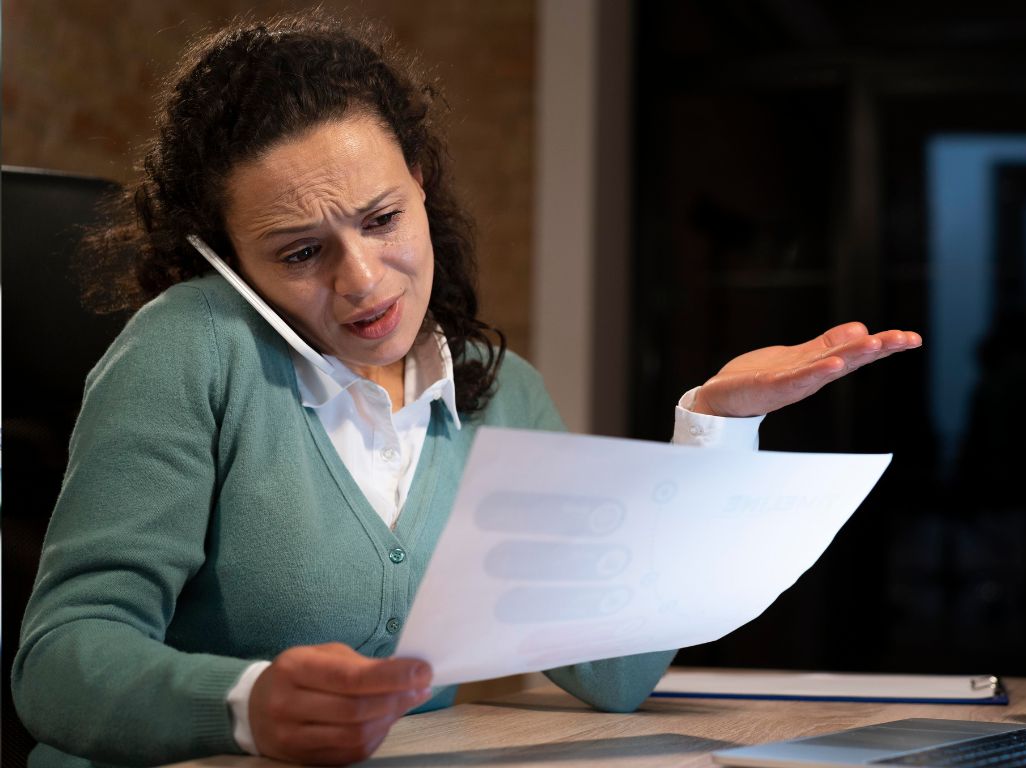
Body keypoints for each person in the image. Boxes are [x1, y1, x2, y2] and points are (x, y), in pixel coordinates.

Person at [11, 11, 922, 768]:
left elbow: (617, 671)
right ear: (224, 260)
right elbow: (57, 661)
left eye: (381, 219)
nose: (365, 281)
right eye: (300, 253)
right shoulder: (190, 347)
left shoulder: (496, 392)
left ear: (422, 180)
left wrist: (714, 430)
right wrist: (244, 703)